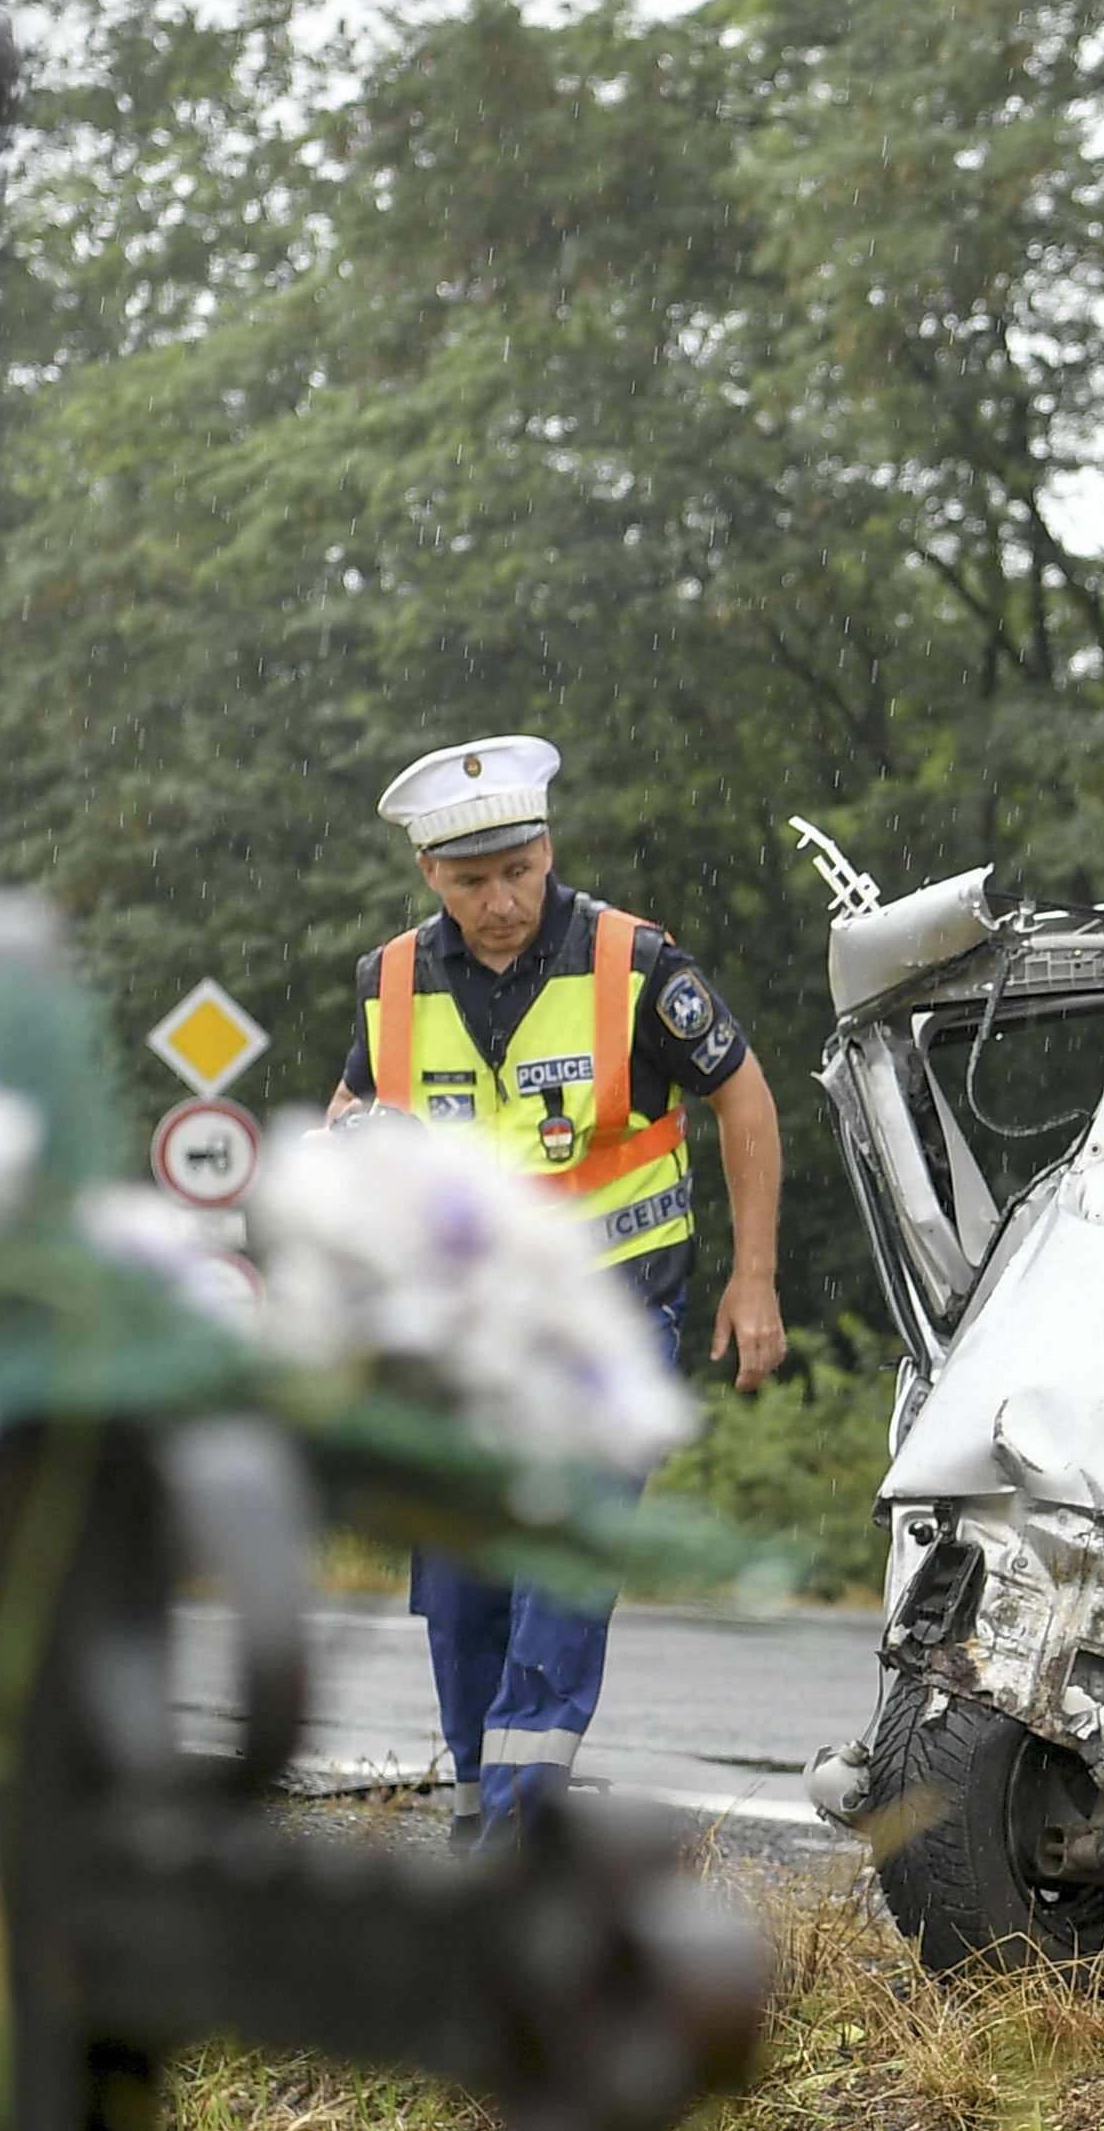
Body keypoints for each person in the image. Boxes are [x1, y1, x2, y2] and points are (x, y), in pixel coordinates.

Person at [327, 734, 789, 1844]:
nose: (501, 900)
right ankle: (485, 1809)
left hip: (609, 1319)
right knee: (462, 1581)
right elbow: (351, 1114)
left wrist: (755, 1276)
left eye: (519, 869)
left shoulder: (636, 964)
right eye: (473, 879)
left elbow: (747, 1101)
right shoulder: (390, 981)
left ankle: (519, 1829)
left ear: (549, 847)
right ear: (431, 876)